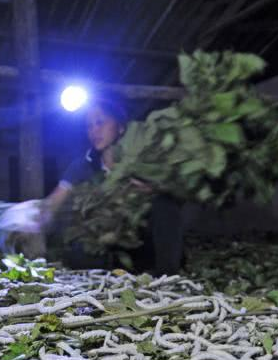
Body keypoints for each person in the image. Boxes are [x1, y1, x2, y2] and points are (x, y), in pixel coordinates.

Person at [40, 98, 185, 275]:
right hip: (110, 244)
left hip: (142, 240)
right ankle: (117, 270)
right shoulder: (83, 164)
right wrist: (28, 216)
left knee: (165, 205)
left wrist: (155, 189)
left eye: (100, 122)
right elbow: (57, 198)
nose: (94, 131)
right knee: (78, 253)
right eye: (89, 126)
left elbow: (179, 188)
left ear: (120, 127)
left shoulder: (142, 159)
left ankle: (166, 273)